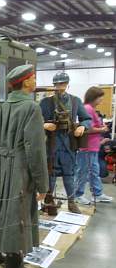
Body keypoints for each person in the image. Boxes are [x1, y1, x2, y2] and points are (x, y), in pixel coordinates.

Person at [0, 64, 49, 268]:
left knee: (0, 207)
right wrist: (42, 184)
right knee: (18, 212)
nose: (35, 81)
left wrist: (0, 162)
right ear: (25, 82)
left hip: (3, 164)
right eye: (33, 78)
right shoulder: (31, 108)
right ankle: (12, 266)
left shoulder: (4, 106)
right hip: (20, 167)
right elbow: (36, 150)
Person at [40, 72, 92, 215]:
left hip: (68, 143)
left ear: (67, 84)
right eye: (57, 84)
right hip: (51, 143)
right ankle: (48, 201)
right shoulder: (45, 103)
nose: (60, 87)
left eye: (62, 84)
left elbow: (86, 118)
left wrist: (82, 126)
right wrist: (44, 125)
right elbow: (35, 120)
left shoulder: (75, 101)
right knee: (50, 174)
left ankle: (71, 201)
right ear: (54, 85)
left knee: (69, 174)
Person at [74, 87, 113, 204]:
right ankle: (78, 194)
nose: (101, 100)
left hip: (93, 147)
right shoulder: (87, 109)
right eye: (100, 97)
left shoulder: (91, 109)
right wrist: (102, 129)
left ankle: (98, 193)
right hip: (87, 147)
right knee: (83, 171)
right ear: (94, 97)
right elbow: (88, 129)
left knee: (94, 171)